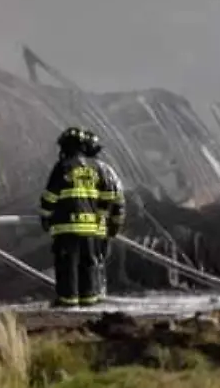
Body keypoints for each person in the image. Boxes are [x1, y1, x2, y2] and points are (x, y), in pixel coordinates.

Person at [39, 127, 116, 308]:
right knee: (87, 264)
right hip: (91, 229)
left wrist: (45, 217)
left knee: (68, 265)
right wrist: (101, 220)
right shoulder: (97, 167)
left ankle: (68, 301)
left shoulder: (63, 166)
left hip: (67, 227)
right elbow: (107, 196)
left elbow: (50, 195)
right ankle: (89, 300)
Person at [80, 129, 126, 299]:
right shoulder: (108, 170)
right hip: (100, 226)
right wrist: (114, 226)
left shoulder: (74, 169)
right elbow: (119, 201)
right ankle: (96, 292)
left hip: (81, 226)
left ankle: (88, 293)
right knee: (97, 260)